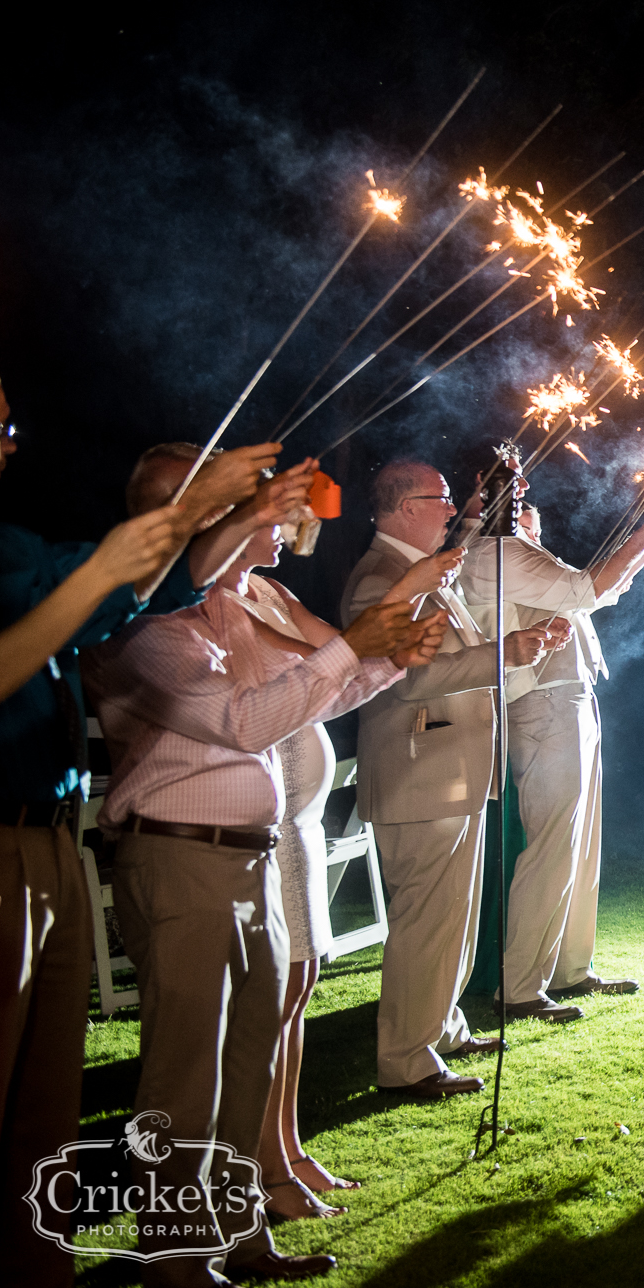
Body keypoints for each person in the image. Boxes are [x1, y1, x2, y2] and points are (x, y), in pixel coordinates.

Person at [0, 357, 277, 1288]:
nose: (8, 446)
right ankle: (167, 1262)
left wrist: (189, 533)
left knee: (42, 1117)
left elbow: (102, 591)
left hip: (50, 838)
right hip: (4, 842)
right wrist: (182, 524)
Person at [84, 529, 440, 1288]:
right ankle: (176, 1268)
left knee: (250, 1060)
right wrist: (353, 646)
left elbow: (315, 693)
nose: (263, 521)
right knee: (186, 1074)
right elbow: (244, 722)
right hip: (181, 859)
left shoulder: (234, 615)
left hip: (250, 859)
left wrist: (384, 662)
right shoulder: (148, 629)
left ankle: (244, 1235)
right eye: (234, 509)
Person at [214, 518, 465, 1221]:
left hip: (295, 821)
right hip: (260, 823)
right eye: (263, 518)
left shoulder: (266, 590)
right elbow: (322, 659)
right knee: (275, 993)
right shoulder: (214, 605)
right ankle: (261, 1162)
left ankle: (286, 1145)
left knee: (298, 985)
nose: (282, 529)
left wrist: (391, 660)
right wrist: (407, 596)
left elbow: (338, 675)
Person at [343, 459, 554, 1096]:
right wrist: (505, 655)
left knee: (454, 917)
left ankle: (444, 1027)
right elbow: (410, 677)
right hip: (419, 776)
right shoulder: (379, 579)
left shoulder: (425, 571)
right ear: (405, 506)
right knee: (425, 922)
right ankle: (406, 1059)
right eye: (438, 500)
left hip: (452, 772)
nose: (449, 510)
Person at [460, 494, 644, 1018]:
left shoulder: (513, 551)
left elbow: (595, 596)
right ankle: (519, 986)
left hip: (567, 696)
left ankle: (568, 970)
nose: (536, 537)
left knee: (580, 842)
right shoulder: (497, 551)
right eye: (526, 521)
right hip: (541, 701)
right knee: (552, 843)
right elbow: (589, 586)